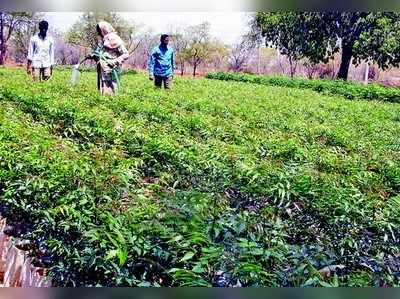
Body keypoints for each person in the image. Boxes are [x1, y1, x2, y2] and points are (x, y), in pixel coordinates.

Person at [87, 21, 129, 96]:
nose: (99, 33)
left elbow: (126, 54)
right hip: (103, 71)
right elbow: (101, 54)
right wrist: (93, 56)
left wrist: (115, 61)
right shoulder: (104, 41)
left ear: (104, 30)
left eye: (99, 31)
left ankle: (113, 105)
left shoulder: (114, 39)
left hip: (112, 70)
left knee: (112, 91)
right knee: (103, 92)